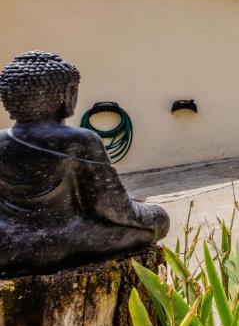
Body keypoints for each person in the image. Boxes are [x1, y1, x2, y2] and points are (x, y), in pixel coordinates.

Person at [0, 51, 168, 276]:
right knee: (160, 219)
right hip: (59, 238)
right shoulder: (80, 140)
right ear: (67, 94)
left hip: (7, 245)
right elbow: (112, 209)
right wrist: (148, 212)